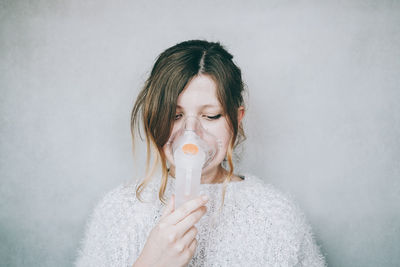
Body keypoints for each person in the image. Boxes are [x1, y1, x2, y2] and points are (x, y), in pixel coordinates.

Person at [75, 40, 326, 267]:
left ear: (236, 120)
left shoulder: (276, 216)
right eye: (175, 115)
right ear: (154, 117)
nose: (190, 133)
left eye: (211, 116)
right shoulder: (117, 211)